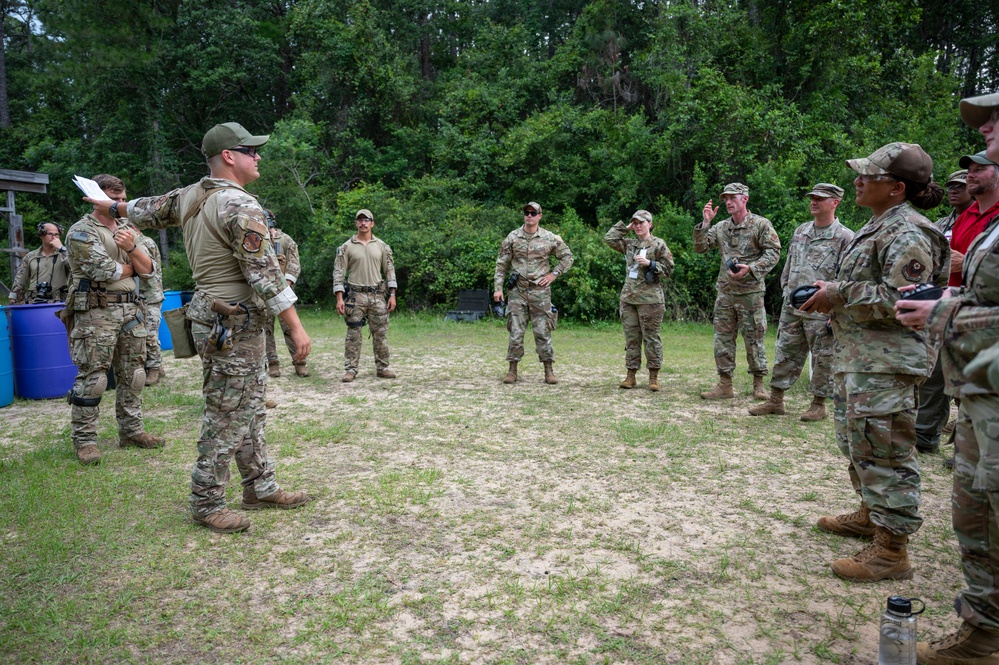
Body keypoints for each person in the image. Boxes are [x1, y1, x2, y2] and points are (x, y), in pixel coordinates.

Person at [85, 122, 312, 534]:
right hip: (236, 320)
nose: (257, 156)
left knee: (249, 406)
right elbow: (264, 274)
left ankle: (259, 485)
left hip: (214, 315)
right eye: (250, 150)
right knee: (227, 412)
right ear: (229, 156)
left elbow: (144, 209)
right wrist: (294, 326)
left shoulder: (191, 194)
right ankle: (206, 501)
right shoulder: (240, 206)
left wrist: (109, 205)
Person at [801, 142, 949, 582]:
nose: (858, 181)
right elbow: (873, 286)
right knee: (859, 443)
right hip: (861, 357)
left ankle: (892, 549)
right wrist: (836, 289)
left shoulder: (907, 232)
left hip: (888, 362)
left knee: (885, 451)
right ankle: (871, 515)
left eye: (869, 176)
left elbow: (912, 299)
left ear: (897, 188)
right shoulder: (880, 224)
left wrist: (838, 294)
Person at [900, 92, 999, 664]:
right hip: (982, 393)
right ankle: (985, 627)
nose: (985, 126)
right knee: (976, 513)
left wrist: (944, 310)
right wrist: (949, 296)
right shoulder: (980, 222)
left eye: (996, 118)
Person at [66, 174, 164, 466]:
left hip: (131, 310)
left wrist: (133, 252)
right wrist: (135, 266)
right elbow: (103, 271)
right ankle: (85, 440)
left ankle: (132, 431)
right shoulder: (81, 231)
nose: (118, 205)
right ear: (94, 198)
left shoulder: (127, 229)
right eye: (113, 199)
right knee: (93, 378)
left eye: (121, 200)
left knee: (134, 375)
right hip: (97, 311)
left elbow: (150, 269)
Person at [916, 154, 999, 455]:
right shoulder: (967, 215)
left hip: (985, 315)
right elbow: (951, 258)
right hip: (951, 307)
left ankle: (972, 452)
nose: (971, 176)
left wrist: (964, 265)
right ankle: (925, 437)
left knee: (976, 386)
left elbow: (968, 263)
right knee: (936, 375)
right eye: (969, 171)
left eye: (979, 170)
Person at [750, 184, 854, 420]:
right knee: (785, 352)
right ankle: (776, 400)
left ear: (835, 202)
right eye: (812, 198)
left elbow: (848, 277)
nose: (814, 202)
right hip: (793, 306)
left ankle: (818, 405)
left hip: (822, 308)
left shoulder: (845, 237)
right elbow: (789, 264)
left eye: (820, 198)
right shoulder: (801, 231)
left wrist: (835, 310)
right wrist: (786, 290)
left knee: (823, 357)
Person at [694, 183, 781, 400]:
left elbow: (773, 253)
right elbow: (701, 247)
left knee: (754, 339)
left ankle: (759, 385)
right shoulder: (721, 227)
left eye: (733, 197)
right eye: (725, 199)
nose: (728, 202)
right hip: (725, 293)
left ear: (745, 199)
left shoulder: (761, 224)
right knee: (722, 339)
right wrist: (705, 223)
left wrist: (751, 269)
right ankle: (725, 385)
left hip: (750, 294)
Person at [493, 202, 574, 385]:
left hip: (540, 292)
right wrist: (498, 288)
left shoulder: (549, 237)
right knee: (515, 331)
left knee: (543, 332)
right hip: (517, 291)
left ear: (540, 216)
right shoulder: (513, 237)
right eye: (526, 212)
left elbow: (567, 257)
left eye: (533, 213)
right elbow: (501, 264)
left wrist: (554, 275)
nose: (529, 216)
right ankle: (512, 370)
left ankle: (548, 369)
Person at [603, 210, 674, 391]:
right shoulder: (629, 244)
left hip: (650, 300)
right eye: (635, 223)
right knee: (632, 339)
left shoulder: (658, 244)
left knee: (651, 339)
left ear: (650, 224)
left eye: (642, 222)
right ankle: (631, 376)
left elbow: (669, 269)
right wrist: (625, 228)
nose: (638, 226)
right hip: (629, 298)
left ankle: (653, 377)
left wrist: (650, 264)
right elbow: (609, 239)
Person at [333, 209, 397, 383]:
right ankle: (351, 369)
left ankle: (383, 367)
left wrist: (392, 295)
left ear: (372, 223)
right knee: (353, 334)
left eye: (366, 220)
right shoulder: (346, 247)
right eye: (360, 220)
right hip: (355, 297)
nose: (363, 223)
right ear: (356, 223)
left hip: (378, 296)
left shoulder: (382, 246)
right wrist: (340, 298)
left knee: (381, 334)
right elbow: (339, 273)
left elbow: (389, 271)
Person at [263, 210, 308, 378]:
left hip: (283, 292)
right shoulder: (256, 239)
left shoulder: (286, 240)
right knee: (266, 330)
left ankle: (300, 362)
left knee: (290, 328)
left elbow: (294, 264)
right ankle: (272, 363)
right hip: (264, 293)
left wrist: (286, 285)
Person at [9, 222, 71, 304]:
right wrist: (13, 298)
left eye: (57, 234)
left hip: (59, 302)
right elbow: (20, 280)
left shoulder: (65, 254)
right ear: (41, 235)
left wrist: (62, 248)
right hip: (35, 301)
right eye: (50, 234)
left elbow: (75, 268)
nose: (54, 237)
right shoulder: (30, 256)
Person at [135, 232, 166, 386]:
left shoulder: (144, 242)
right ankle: (158, 366)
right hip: (139, 295)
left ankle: (153, 369)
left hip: (150, 295)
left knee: (149, 333)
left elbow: (145, 270)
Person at [936, 169, 973, 236]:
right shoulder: (940, 224)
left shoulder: (983, 220)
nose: (953, 191)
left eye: (960, 187)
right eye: (950, 187)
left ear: (972, 189)